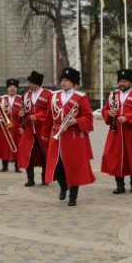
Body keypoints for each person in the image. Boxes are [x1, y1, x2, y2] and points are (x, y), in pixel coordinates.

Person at [42, 68, 96, 206]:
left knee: (73, 168)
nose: (63, 83)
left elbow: (88, 117)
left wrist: (76, 121)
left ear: (73, 83)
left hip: (73, 137)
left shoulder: (80, 97)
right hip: (57, 136)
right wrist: (45, 132)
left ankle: (73, 196)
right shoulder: (54, 96)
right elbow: (49, 116)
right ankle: (63, 186)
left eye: (66, 80)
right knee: (58, 166)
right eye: (62, 80)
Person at [17, 71, 51, 187]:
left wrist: (38, 116)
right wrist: (22, 114)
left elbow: (50, 112)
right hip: (29, 130)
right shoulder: (27, 95)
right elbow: (26, 112)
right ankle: (30, 178)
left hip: (42, 129)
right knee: (28, 154)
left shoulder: (48, 95)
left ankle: (45, 178)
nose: (28, 85)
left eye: (30, 83)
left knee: (44, 154)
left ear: (37, 83)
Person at [0, 78, 23, 173]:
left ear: (17, 88)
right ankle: (4, 165)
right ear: (7, 88)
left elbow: (25, 112)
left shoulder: (21, 99)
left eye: (14, 87)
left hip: (16, 124)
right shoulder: (2, 99)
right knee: (3, 145)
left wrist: (22, 117)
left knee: (18, 145)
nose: (12, 89)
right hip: (4, 126)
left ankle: (17, 166)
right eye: (10, 87)